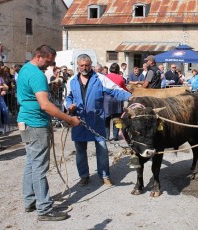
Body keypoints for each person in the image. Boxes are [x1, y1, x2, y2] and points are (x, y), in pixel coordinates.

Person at [17, 45, 81, 221]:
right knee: (39, 167)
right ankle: (44, 209)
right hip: (36, 124)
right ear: (38, 56)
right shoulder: (37, 75)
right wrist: (69, 119)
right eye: (48, 61)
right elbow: (45, 105)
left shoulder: (25, 69)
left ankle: (30, 200)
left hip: (27, 121)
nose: (50, 65)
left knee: (31, 163)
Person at [65, 54, 132, 188]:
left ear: (91, 65)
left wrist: (130, 97)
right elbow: (68, 97)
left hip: (96, 121)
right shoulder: (71, 81)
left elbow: (116, 91)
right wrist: (69, 105)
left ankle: (105, 175)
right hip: (79, 120)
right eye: (82, 65)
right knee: (80, 151)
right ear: (77, 65)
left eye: (87, 65)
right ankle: (84, 176)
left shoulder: (100, 78)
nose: (84, 68)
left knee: (102, 149)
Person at [105, 63, 130, 141]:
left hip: (106, 101)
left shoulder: (105, 77)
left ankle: (106, 136)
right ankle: (115, 136)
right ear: (118, 70)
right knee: (117, 118)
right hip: (117, 100)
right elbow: (124, 89)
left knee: (106, 119)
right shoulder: (120, 78)